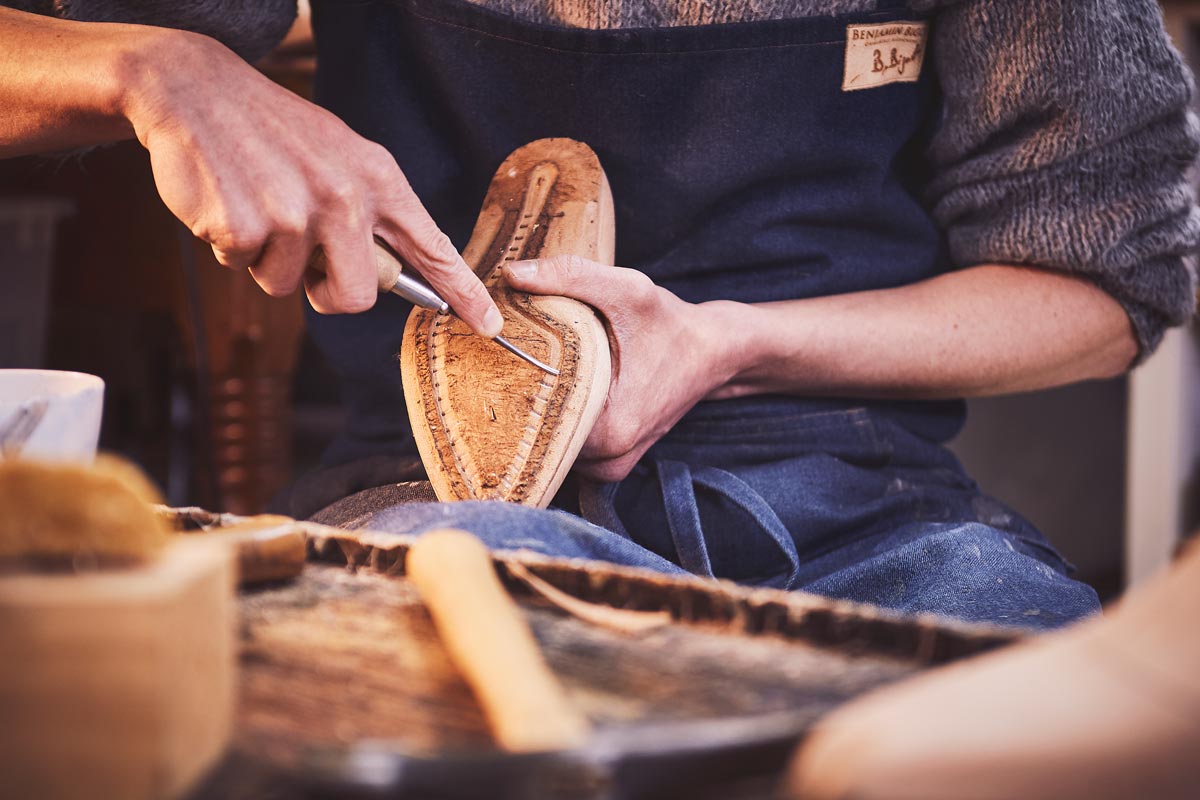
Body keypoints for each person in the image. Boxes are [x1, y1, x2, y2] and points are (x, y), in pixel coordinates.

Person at [2, 0, 1195, 630]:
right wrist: (148, 68)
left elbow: (1106, 284)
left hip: (859, 510)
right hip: (444, 502)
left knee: (1025, 680)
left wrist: (736, 345)